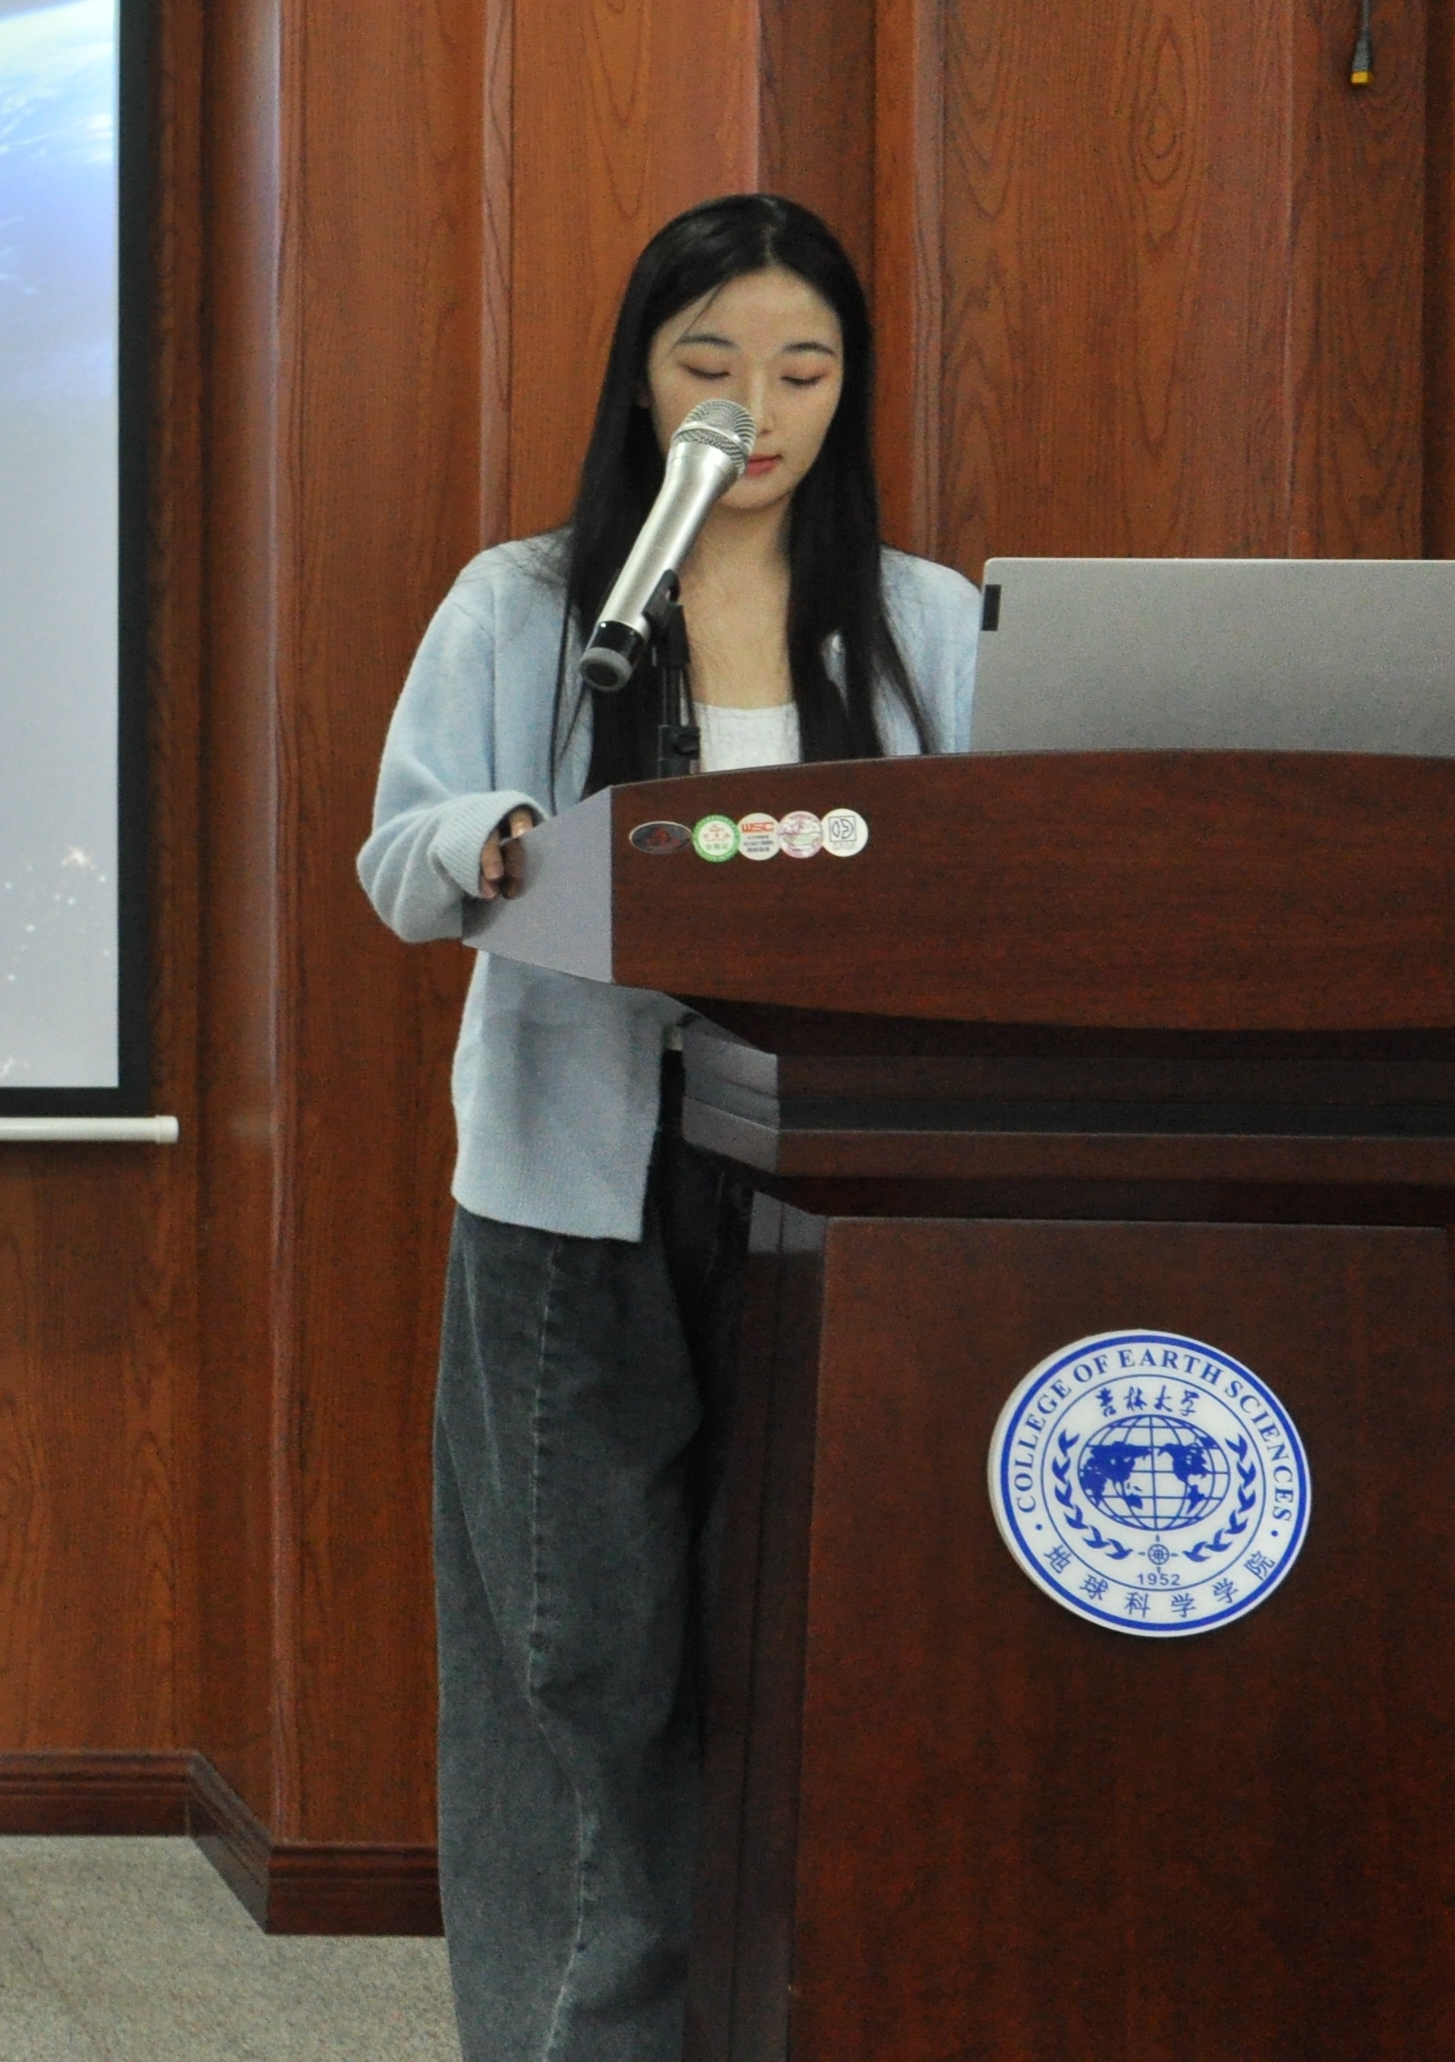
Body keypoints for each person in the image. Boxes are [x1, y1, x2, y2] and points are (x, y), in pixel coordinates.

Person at [358, 194, 979, 2062]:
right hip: (581, 1193)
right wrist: (497, 842)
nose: (755, 412)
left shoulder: (925, 616)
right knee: (583, 1659)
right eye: (711, 365)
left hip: (848, 1197)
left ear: (849, 390)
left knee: (820, 1636)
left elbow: (1003, 873)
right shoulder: (535, 603)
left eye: (801, 370)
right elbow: (401, 855)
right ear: (643, 380)